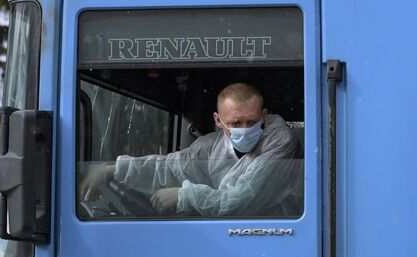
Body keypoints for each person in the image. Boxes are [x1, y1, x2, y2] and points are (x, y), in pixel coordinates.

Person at [80, 82, 302, 217]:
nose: (244, 129)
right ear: (218, 120)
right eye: (235, 123)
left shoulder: (280, 141)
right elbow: (168, 167)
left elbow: (241, 201)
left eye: (252, 121)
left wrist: (184, 196)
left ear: (263, 116)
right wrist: (111, 170)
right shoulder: (209, 147)